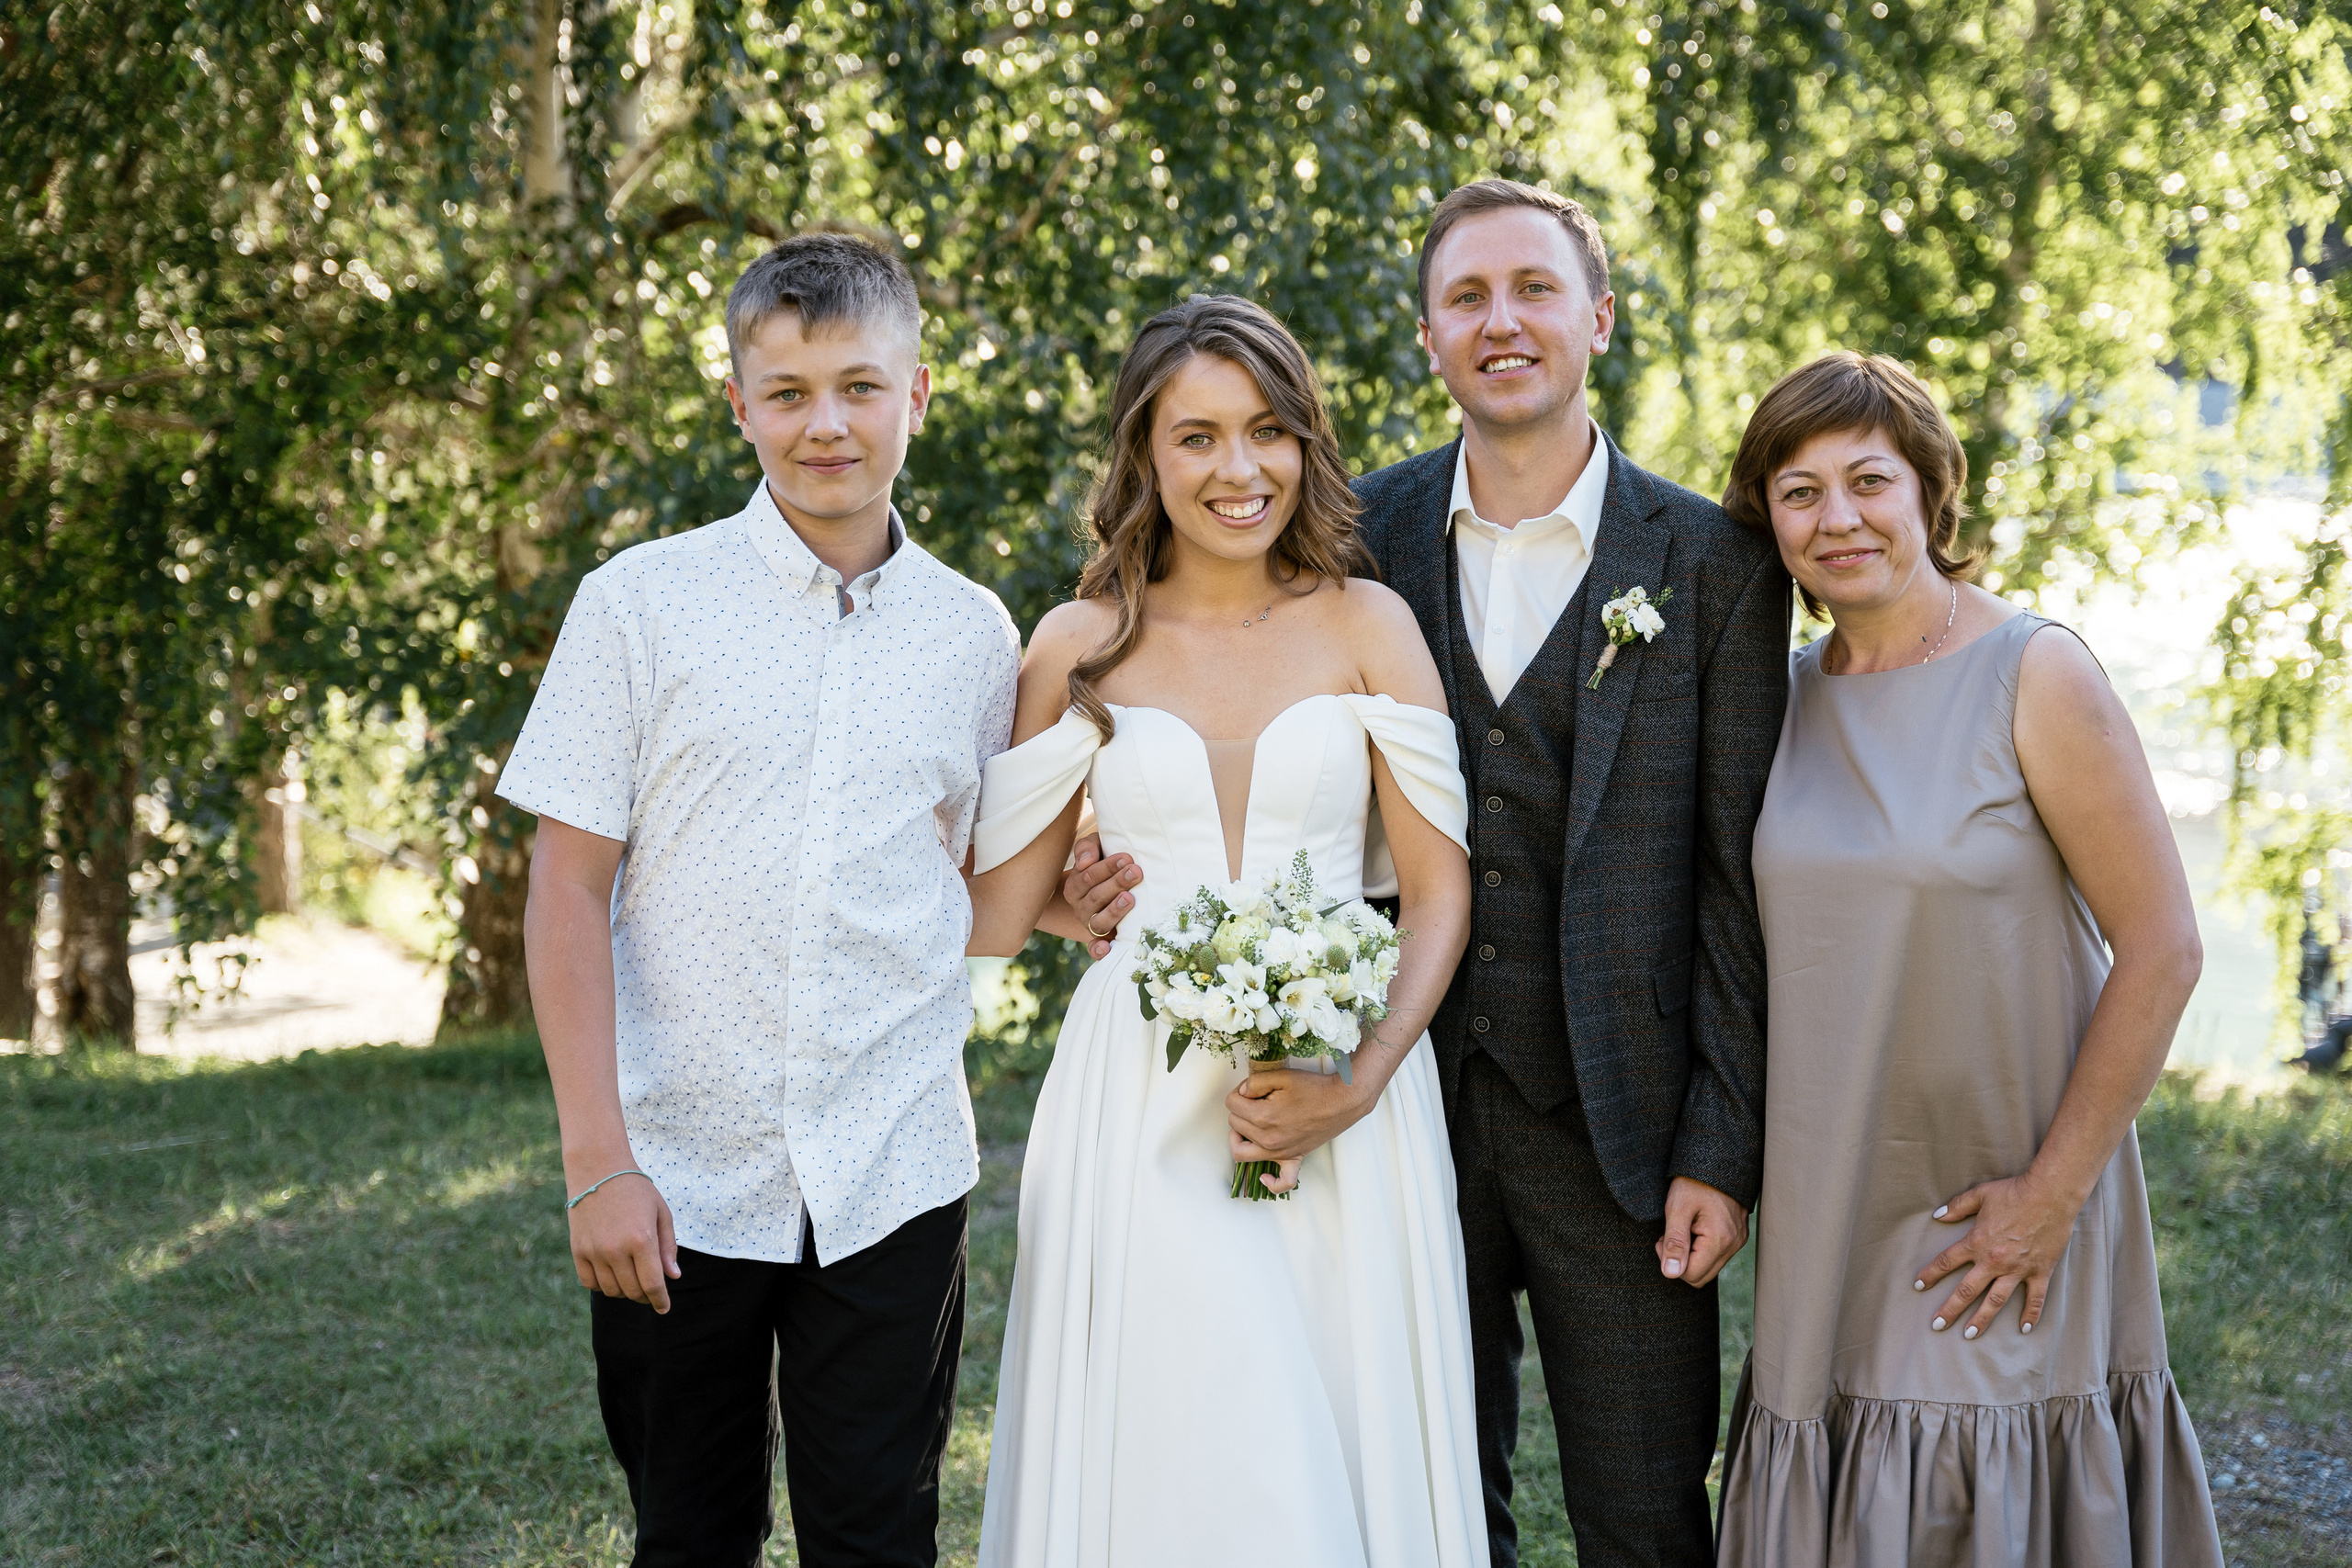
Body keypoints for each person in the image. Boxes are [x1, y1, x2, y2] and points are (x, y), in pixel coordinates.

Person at [1066, 179, 1790, 1566]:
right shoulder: (1353, 536)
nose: (1500, 322)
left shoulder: (1713, 562)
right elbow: (1191, 678)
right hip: (1392, 1118)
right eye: (1467, 298)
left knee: (1643, 1517)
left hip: (1623, 1134)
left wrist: (1721, 1145)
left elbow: (1731, 880)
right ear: (1428, 336)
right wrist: (1104, 876)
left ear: (1600, 318)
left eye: (1532, 290)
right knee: (1420, 1502)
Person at [502, 233, 1021, 1567]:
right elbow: (567, 888)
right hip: (676, 1179)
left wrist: (1086, 889)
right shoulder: (637, 606)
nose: (825, 423)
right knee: (689, 1538)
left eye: (859, 385)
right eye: (787, 391)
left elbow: (962, 884)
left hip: (893, 1172)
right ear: (738, 403)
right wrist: (597, 1162)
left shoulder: (977, 635)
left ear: (917, 395)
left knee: (879, 1542)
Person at [966, 293, 1487, 1565]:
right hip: (1136, 1102)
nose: (1236, 469)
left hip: (1342, 1090)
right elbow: (997, 910)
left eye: (1266, 432)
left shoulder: (1371, 626)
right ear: (1144, 453)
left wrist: (1355, 1084)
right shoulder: (1077, 644)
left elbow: (1439, 891)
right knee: (1181, 1431)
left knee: (1334, 1427)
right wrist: (1069, 899)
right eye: (1195, 437)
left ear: (1305, 444)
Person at [1713, 351, 2223, 1564]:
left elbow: (2164, 949)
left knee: (1976, 1495)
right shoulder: (1775, 701)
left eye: (1868, 480)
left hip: (1997, 1201)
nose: (1837, 517)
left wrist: (2049, 1199)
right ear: (1766, 524)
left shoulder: (2033, 673)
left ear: (1932, 491)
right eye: (1799, 491)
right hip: (1831, 1199)